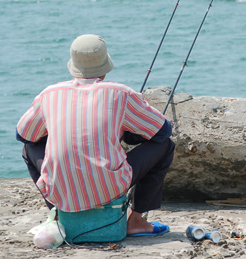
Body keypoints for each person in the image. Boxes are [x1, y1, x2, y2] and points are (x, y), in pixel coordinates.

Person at [17, 34, 175, 237]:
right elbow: (163, 131)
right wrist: (127, 134)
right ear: (104, 65)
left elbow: (23, 135)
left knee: (29, 148)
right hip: (110, 187)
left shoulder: (49, 94)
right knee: (165, 146)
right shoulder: (121, 93)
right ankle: (135, 220)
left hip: (60, 188)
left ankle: (58, 216)